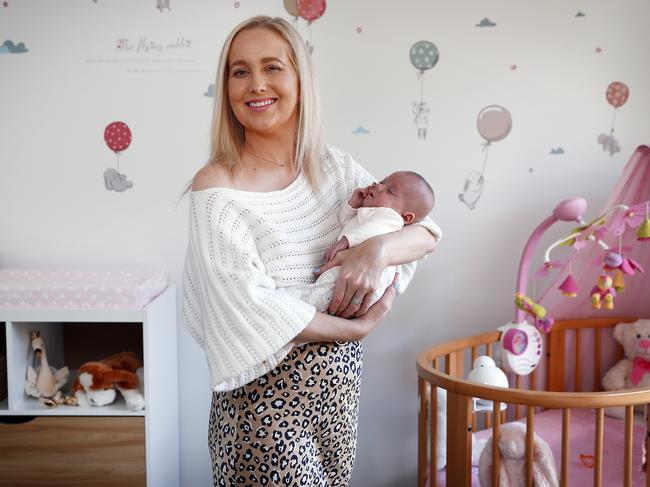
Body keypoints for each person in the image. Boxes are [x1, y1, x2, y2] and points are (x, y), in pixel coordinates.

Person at [181, 16, 442, 487]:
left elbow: (425, 230)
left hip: (338, 393)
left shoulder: (332, 166)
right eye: (239, 72)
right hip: (264, 406)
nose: (256, 84)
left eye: (272, 67)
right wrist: (356, 327)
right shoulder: (218, 188)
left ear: (300, 79)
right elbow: (246, 307)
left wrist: (376, 251)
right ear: (227, 88)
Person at [290, 170, 437, 314]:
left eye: (390, 191)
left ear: (406, 218)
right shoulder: (373, 214)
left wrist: (345, 242)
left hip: (369, 277)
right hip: (362, 278)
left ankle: (292, 301)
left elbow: (370, 230)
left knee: (324, 291)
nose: (378, 186)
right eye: (382, 182)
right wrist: (352, 205)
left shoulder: (391, 218)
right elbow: (346, 225)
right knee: (327, 291)